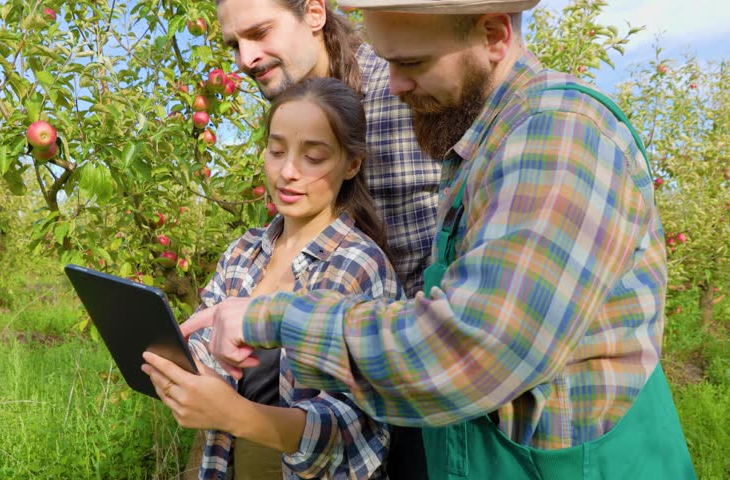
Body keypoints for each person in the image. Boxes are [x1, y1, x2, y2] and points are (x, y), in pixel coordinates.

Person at [183, 1, 697, 479]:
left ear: (493, 35)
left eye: (412, 63)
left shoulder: (559, 138)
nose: (396, 86)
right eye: (388, 62)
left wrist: (271, 315)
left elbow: (472, 347)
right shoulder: (482, 147)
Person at [214, 1, 436, 475]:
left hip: (420, 378)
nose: (244, 58)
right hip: (341, 375)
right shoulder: (298, 103)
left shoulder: (403, 89)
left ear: (314, 13)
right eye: (234, 44)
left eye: (259, 33)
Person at [142, 77, 402, 480]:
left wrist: (235, 413)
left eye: (314, 157)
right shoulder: (243, 254)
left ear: (352, 164)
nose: (287, 172)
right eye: (276, 151)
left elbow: (356, 428)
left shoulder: (358, 266)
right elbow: (202, 344)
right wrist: (182, 371)